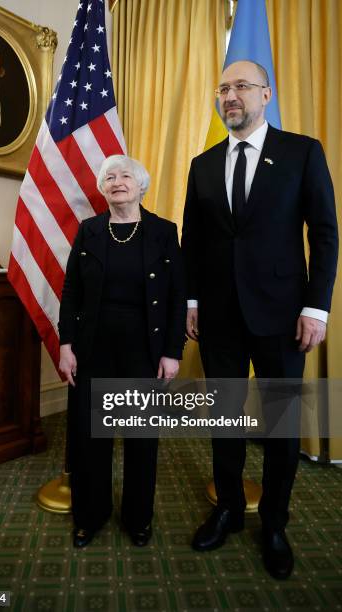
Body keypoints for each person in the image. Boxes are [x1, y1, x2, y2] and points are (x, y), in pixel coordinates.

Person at [182, 60, 338, 579]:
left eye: (242, 87)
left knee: (279, 428)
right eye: (224, 88)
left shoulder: (302, 151)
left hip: (283, 315)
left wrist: (316, 306)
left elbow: (324, 233)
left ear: (266, 94)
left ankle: (274, 522)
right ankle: (227, 508)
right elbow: (194, 244)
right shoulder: (202, 164)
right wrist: (192, 301)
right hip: (220, 318)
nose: (231, 96)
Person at [59, 154, 186, 548]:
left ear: (140, 184)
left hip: (143, 349)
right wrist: (65, 344)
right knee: (88, 438)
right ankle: (90, 516)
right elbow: (71, 292)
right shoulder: (89, 231)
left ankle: (138, 518)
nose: (117, 181)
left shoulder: (164, 231)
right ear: (102, 188)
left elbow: (176, 296)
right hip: (91, 347)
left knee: (140, 439)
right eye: (109, 177)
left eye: (125, 175)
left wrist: (171, 350)